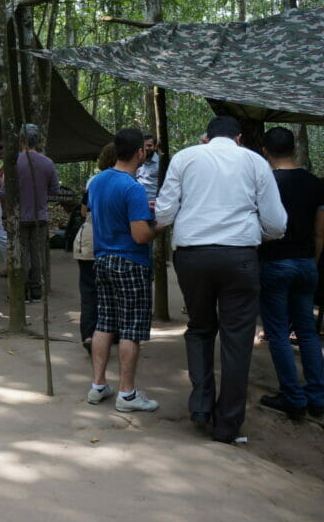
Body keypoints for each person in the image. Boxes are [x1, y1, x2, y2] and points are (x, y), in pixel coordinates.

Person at [155, 115, 287, 443]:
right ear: (239, 138)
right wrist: (257, 232)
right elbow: (275, 223)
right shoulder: (255, 162)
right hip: (239, 257)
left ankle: (200, 407)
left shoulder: (186, 158)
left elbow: (165, 214)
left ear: (205, 137)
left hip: (192, 256)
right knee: (237, 340)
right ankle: (227, 426)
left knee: (200, 328)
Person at [86, 129, 163, 412]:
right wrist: (163, 223)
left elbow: (107, 212)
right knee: (131, 328)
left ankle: (98, 385)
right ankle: (127, 394)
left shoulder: (97, 181)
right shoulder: (133, 187)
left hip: (103, 259)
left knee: (105, 322)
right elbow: (141, 235)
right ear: (140, 153)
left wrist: (144, 208)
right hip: (130, 261)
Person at [257, 126, 324, 420]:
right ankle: (317, 397)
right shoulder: (315, 183)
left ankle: (293, 397)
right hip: (306, 263)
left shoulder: (265, 184)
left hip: (274, 263)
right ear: (295, 148)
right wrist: (312, 260)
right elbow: (320, 232)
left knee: (278, 333)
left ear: (265, 151)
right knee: (307, 331)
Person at [75, 143, 117, 351]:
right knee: (110, 290)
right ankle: (110, 333)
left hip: (89, 238)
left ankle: (90, 335)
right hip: (111, 239)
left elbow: (84, 211)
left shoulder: (94, 181)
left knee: (90, 290)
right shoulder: (127, 181)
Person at [17, 123, 59, 302]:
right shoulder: (47, 163)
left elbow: (4, 192)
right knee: (37, 253)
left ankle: (23, 290)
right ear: (38, 140)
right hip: (40, 216)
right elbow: (55, 190)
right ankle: (36, 291)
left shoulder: (15, 162)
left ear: (21, 140)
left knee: (22, 253)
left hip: (19, 215)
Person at [134, 134, 160, 203]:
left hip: (154, 203)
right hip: (138, 201)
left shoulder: (160, 164)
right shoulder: (137, 162)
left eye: (149, 145)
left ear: (155, 147)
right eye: (144, 146)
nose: (146, 148)